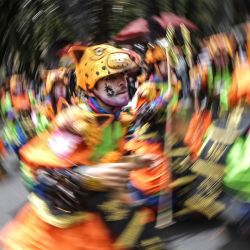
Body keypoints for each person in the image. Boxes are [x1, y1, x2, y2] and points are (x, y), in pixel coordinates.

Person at [1, 44, 168, 250]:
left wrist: (134, 161)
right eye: (110, 79)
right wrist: (87, 175)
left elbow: (108, 159)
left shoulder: (119, 120)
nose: (122, 83)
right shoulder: (76, 122)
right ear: (92, 86)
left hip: (107, 203)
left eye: (122, 77)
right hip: (75, 219)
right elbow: (39, 174)